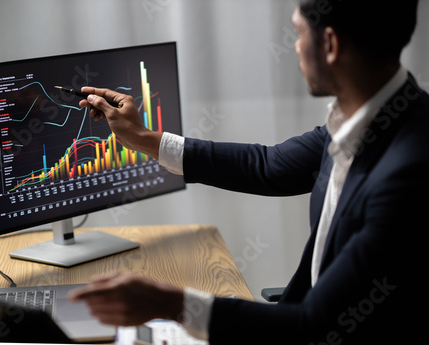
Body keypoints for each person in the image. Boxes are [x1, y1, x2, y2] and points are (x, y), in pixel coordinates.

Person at [69, 0, 429, 343]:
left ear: (331, 44)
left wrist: (171, 305)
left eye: (299, 33)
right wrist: (144, 138)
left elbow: (314, 327)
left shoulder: (407, 176)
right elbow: (267, 167)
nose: (296, 48)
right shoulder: (367, 120)